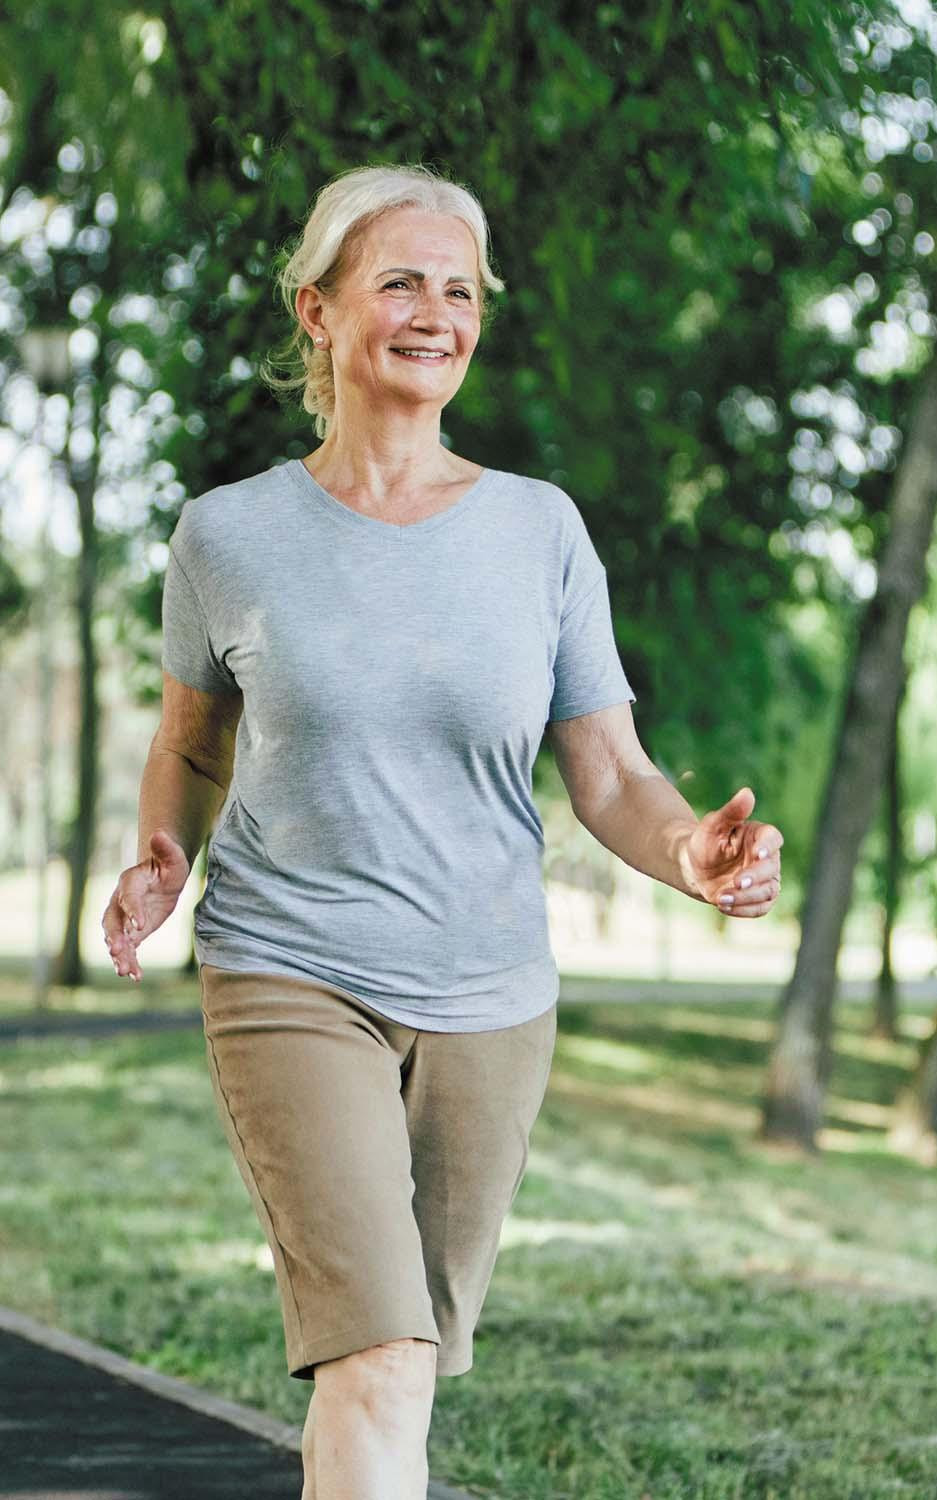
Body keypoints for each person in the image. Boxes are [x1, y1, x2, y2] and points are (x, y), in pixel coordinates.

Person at [101, 162, 784, 1500]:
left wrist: (690, 851)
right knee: (378, 1356)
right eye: (400, 279)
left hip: (491, 996)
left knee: (409, 1363)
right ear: (317, 308)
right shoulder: (229, 534)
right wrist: (160, 854)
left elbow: (608, 771)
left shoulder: (540, 532)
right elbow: (191, 743)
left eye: (460, 288)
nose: (436, 311)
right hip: (289, 967)